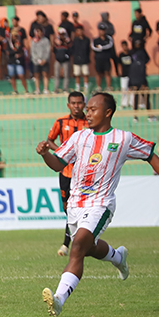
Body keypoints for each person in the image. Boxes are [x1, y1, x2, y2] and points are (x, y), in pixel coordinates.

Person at [37, 92, 159, 316]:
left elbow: (150, 155)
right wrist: (45, 154)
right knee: (88, 248)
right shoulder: (79, 138)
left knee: (76, 249)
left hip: (101, 204)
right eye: (87, 109)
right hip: (76, 205)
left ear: (108, 113)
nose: (88, 113)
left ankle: (59, 299)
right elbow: (58, 164)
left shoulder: (123, 139)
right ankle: (118, 257)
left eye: (93, 109)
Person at [47, 92, 89, 256]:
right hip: (65, 172)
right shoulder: (61, 122)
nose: (76, 106)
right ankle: (73, 240)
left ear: (84, 104)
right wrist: (63, 153)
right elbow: (49, 139)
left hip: (84, 174)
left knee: (77, 208)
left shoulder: (90, 122)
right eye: (73, 103)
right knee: (67, 208)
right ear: (68, 105)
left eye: (79, 103)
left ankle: (67, 244)